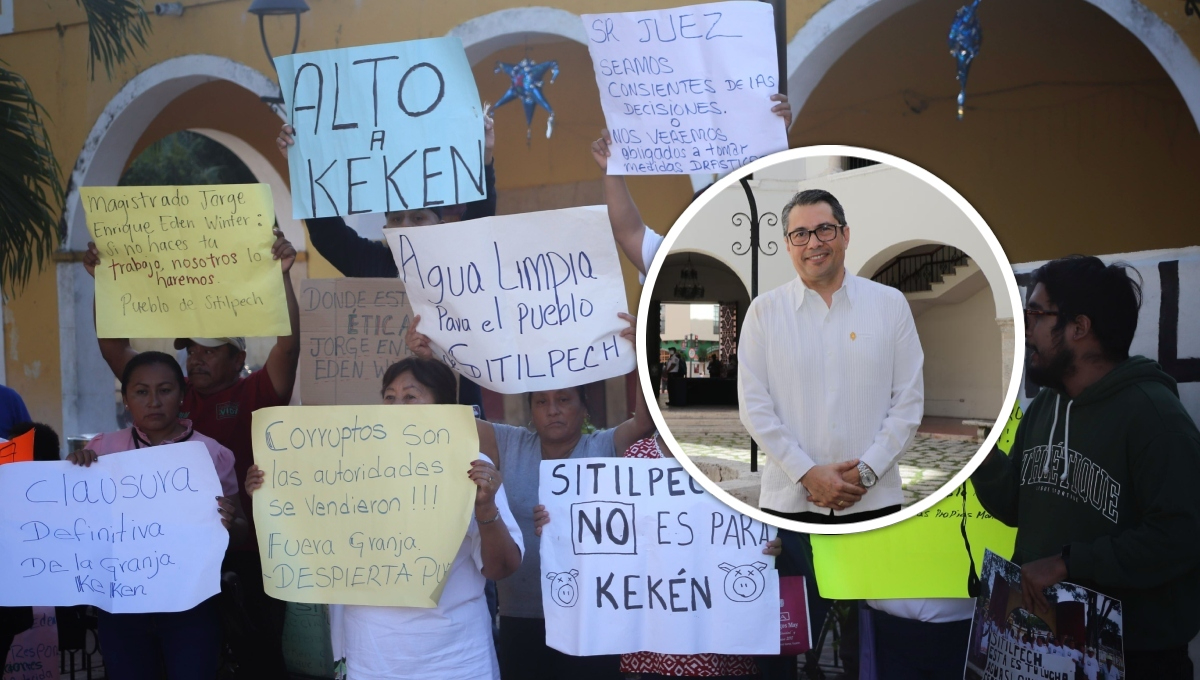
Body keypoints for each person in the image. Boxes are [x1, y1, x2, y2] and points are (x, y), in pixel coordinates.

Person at [82, 227, 300, 679]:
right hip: (165, 569)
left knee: (255, 659)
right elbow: (113, 348)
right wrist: (104, 281)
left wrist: (281, 278)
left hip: (246, 553)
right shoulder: (168, 395)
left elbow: (288, 345)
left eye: (210, 351)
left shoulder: (256, 391)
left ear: (239, 358)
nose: (196, 358)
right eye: (191, 350)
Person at [971, 256, 1200, 680]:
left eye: (1036, 314)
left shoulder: (1156, 418)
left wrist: (1068, 564)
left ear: (1079, 327)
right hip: (1039, 649)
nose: (1026, 329)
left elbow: (1180, 537)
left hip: (1135, 660)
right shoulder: (1044, 408)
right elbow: (1013, 506)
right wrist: (979, 454)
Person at [405, 312, 654, 680]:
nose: (552, 409)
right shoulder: (510, 444)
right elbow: (446, 422)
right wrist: (432, 361)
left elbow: (645, 423)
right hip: (520, 616)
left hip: (592, 617)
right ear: (531, 410)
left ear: (584, 407)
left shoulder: (602, 445)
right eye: (541, 401)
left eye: (564, 400)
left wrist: (643, 352)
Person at [245, 357, 522, 679]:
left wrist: (486, 509)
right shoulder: (345, 465)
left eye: (410, 396)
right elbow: (312, 534)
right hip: (372, 656)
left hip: (455, 658)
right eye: (389, 397)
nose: (396, 406)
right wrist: (271, 493)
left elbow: (501, 568)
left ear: (443, 406)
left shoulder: (473, 467)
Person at [276, 114, 496, 418]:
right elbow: (328, 236)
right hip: (384, 433)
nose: (404, 226)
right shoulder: (375, 262)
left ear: (439, 223)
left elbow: (481, 218)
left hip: (458, 422)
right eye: (395, 219)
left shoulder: (459, 263)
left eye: (418, 218)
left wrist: (483, 157)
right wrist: (303, 167)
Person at [532, 432, 783, 679]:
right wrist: (559, 526)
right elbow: (615, 526)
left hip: (721, 624)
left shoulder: (738, 457)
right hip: (659, 635)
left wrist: (775, 543)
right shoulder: (637, 456)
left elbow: (760, 515)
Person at [66, 351, 245, 680]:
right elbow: (77, 525)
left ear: (182, 395)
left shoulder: (212, 453)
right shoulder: (103, 451)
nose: (153, 401)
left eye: (165, 390)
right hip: (121, 606)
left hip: (191, 604)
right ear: (125, 398)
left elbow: (242, 532)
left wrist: (229, 522)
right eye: (141, 391)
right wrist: (76, 475)